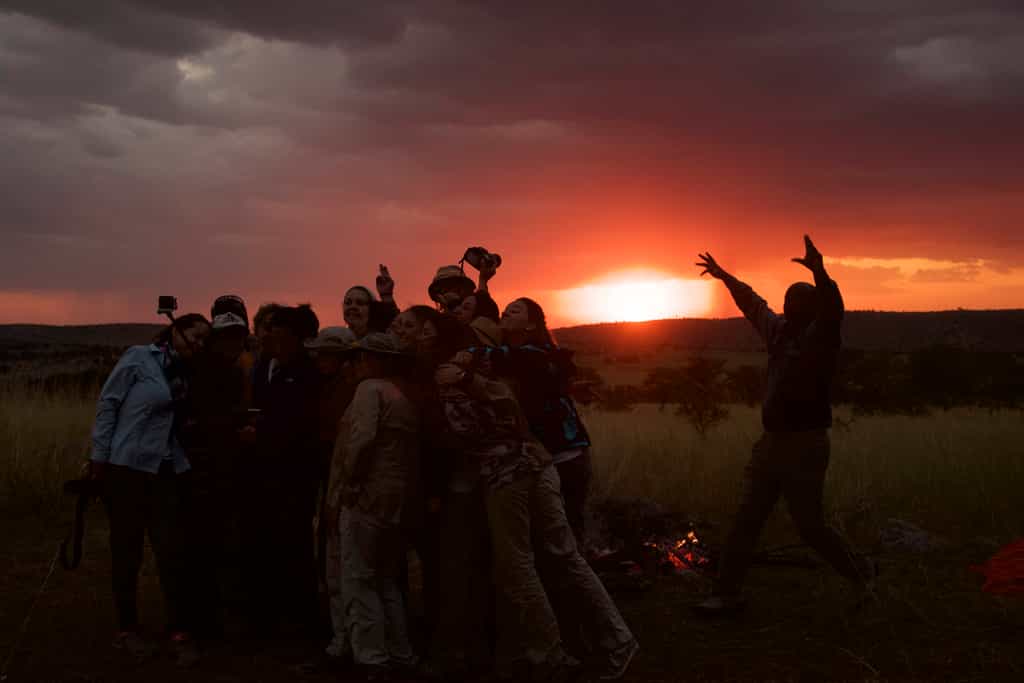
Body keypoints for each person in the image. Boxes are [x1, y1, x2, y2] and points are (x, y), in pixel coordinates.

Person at [435, 322, 637, 681]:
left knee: (518, 564)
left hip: (507, 473)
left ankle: (551, 653)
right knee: (566, 557)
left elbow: (475, 428)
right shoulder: (521, 370)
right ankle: (616, 640)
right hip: (539, 464)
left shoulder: (468, 375)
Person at [694, 235, 875, 615]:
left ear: (810, 308)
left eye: (796, 301)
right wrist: (725, 277)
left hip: (806, 444)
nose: (787, 305)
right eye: (787, 300)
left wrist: (820, 273)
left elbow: (833, 311)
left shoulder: (822, 339)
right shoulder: (779, 331)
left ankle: (861, 574)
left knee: (810, 526)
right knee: (747, 518)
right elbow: (752, 303)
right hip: (771, 443)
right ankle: (726, 594)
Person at [88, 313, 211, 666]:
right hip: (127, 467)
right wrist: (99, 458)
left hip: (167, 469)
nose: (199, 343)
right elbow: (108, 404)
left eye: (205, 339)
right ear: (175, 330)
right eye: (194, 335)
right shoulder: (139, 358)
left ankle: (179, 631)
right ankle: (127, 629)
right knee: (126, 551)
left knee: (172, 551)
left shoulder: (192, 374)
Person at [324, 333, 421, 679]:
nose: (357, 364)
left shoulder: (369, 390)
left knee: (359, 577)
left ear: (375, 360)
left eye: (362, 357)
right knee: (386, 579)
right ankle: (400, 653)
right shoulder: (403, 395)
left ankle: (371, 658)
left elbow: (362, 440)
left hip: (367, 496)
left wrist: (349, 483)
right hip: (396, 497)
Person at [241, 305, 323, 636]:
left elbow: (304, 421)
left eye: (275, 330)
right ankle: (268, 613)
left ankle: (301, 617)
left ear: (293, 336)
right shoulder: (262, 366)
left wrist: (263, 430)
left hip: (294, 473)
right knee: (265, 541)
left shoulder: (307, 371)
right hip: (261, 471)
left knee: (295, 542)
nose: (267, 335)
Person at [494, 297, 594, 546]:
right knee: (555, 530)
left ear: (530, 325)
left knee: (566, 529)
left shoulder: (536, 353)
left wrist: (465, 355)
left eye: (514, 310)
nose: (505, 312)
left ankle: (579, 568)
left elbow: (497, 356)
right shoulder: (526, 356)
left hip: (565, 456)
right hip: (547, 456)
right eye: (505, 309)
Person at [180, 309, 250, 642]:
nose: (232, 343)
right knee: (204, 547)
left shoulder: (235, 371)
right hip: (202, 470)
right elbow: (196, 420)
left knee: (222, 546)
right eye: (226, 337)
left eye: (237, 336)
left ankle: (215, 618)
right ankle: (202, 621)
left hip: (225, 470)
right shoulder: (200, 370)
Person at [344, 265, 400, 339]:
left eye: (360, 303)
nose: (352, 306)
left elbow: (397, 326)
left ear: (372, 309)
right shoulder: (336, 340)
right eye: (348, 303)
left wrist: (386, 296)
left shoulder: (380, 341)